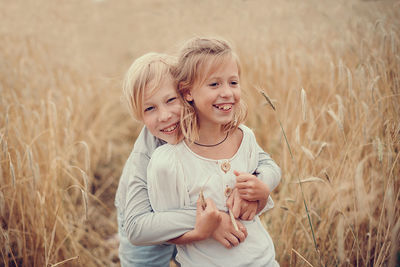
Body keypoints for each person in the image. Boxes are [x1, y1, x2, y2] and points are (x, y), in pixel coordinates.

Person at [115, 52, 281, 266]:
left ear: (188, 94)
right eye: (150, 108)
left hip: (193, 212)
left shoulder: (212, 127)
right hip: (147, 216)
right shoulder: (149, 147)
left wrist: (260, 186)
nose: (165, 115)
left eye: (171, 100)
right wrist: (215, 219)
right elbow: (138, 226)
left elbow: (267, 164)